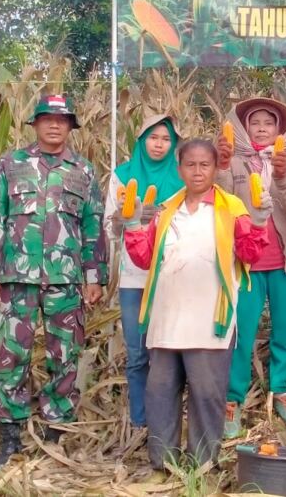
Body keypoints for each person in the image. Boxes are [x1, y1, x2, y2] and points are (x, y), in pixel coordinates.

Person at [119, 139, 270, 471]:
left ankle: (202, 465)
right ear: (180, 169)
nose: (198, 171)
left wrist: (259, 222)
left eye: (205, 164)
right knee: (160, 395)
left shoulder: (232, 208)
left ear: (215, 168)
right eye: (191, 164)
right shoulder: (166, 209)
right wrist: (132, 225)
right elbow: (145, 258)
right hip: (166, 320)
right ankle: (163, 464)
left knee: (206, 396)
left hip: (208, 322)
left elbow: (249, 253)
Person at [0, 93, 107, 468]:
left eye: (62, 120)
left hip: (65, 281)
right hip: (17, 279)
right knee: (10, 357)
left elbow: (92, 225)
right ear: (34, 123)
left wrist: (94, 275)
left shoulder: (82, 170)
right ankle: (10, 435)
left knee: (65, 356)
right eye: (46, 118)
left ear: (70, 127)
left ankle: (55, 431)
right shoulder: (10, 164)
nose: (54, 125)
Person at [215, 98, 286, 436]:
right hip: (246, 262)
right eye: (256, 122)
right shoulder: (233, 162)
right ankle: (233, 397)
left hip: (285, 260)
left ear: (280, 130)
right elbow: (221, 200)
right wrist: (222, 166)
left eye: (270, 122)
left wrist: (281, 179)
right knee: (241, 333)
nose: (264, 128)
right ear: (244, 128)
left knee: (284, 332)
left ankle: (282, 391)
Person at [105, 114, 183, 429]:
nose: (159, 144)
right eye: (153, 138)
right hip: (134, 278)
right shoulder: (122, 177)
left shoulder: (182, 178)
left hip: (171, 277)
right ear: (141, 141)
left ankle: (165, 421)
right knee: (137, 354)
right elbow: (110, 227)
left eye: (166, 139)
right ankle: (139, 422)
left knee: (166, 354)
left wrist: (161, 220)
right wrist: (130, 218)